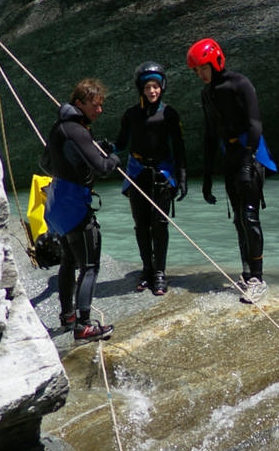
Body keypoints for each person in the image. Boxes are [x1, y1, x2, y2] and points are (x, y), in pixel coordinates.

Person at [187, 37, 276, 303]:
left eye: (203, 68)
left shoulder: (240, 84)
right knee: (238, 218)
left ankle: (258, 279)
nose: (200, 74)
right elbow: (210, 134)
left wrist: (249, 161)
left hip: (251, 152)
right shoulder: (208, 93)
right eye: (196, 71)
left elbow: (255, 124)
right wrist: (205, 177)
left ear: (216, 61)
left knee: (249, 216)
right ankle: (247, 273)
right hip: (230, 157)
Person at [41, 78, 120, 343]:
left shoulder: (58, 128)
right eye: (94, 105)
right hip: (75, 207)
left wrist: (76, 162)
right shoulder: (76, 130)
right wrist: (115, 156)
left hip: (57, 205)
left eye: (101, 105)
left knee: (68, 260)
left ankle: (68, 316)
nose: (99, 111)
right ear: (79, 103)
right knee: (90, 266)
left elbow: (45, 163)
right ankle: (84, 326)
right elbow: (104, 168)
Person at [115, 61, 187, 295]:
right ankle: (147, 269)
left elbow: (179, 148)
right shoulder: (131, 115)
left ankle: (159, 273)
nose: (152, 91)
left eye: (155, 86)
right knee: (141, 226)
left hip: (162, 173)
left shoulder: (169, 114)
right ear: (141, 89)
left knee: (160, 224)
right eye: (148, 88)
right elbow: (121, 143)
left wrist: (182, 177)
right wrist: (105, 147)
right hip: (137, 172)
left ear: (162, 87)